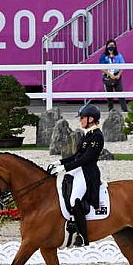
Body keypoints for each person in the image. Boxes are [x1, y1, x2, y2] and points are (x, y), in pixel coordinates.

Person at [52, 104, 104, 247]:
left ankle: (82, 235)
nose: (80, 121)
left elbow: (86, 159)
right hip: (79, 169)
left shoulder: (97, 136)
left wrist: (65, 167)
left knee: (75, 199)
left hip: (88, 172)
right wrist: (60, 162)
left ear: (91, 119)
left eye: (82, 118)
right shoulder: (87, 134)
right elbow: (77, 156)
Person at [99, 38, 128, 112]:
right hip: (108, 76)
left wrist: (118, 74)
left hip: (117, 75)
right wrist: (109, 74)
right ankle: (111, 110)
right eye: (110, 45)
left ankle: (124, 110)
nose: (111, 47)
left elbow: (122, 65)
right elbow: (101, 68)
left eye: (113, 45)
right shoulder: (103, 56)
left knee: (120, 93)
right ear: (107, 46)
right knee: (109, 95)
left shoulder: (118, 55)